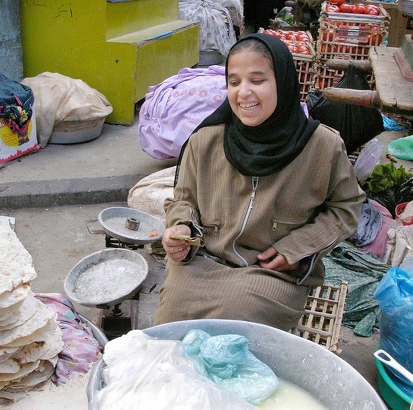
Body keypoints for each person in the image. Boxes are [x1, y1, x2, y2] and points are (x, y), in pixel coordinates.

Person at [153, 33, 365, 331]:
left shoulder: (322, 147)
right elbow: (183, 198)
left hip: (273, 274)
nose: (244, 93)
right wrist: (181, 227)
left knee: (231, 326)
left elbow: (346, 208)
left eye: (257, 80)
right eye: (234, 82)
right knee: (168, 330)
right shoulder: (206, 140)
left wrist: (296, 248)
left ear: (284, 81)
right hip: (204, 263)